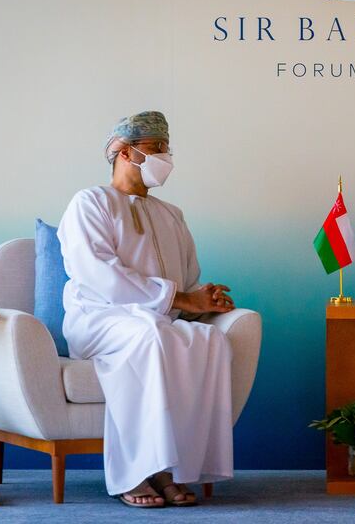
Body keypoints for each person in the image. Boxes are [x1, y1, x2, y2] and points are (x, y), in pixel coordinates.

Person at [58, 111, 237, 508]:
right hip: (99, 320)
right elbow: (97, 274)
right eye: (156, 149)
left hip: (157, 319)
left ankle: (173, 467)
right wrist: (180, 299)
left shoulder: (171, 214)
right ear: (124, 152)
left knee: (208, 341)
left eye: (166, 149)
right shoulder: (90, 202)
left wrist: (202, 302)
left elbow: (188, 278)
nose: (165, 158)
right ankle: (136, 472)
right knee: (151, 336)